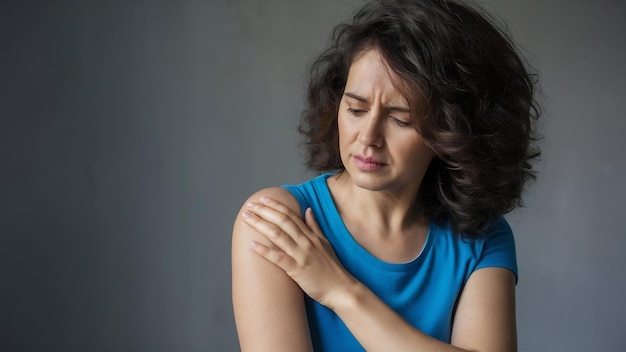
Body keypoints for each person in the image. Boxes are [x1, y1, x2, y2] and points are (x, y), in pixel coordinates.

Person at [232, 0, 540, 350]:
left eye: (400, 119)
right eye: (356, 109)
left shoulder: (482, 238)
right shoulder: (276, 220)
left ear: (454, 132)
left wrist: (341, 292)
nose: (368, 137)